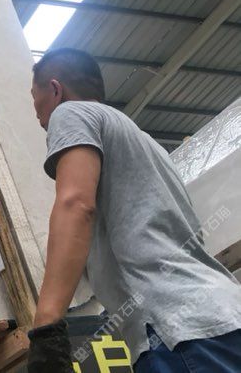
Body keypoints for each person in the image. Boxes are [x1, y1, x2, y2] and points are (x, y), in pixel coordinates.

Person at [24, 48, 241, 373]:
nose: (37, 114)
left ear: (55, 90)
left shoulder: (70, 113)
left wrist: (46, 328)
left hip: (177, 329)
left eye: (35, 98)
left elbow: (76, 204)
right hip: (222, 313)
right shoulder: (149, 145)